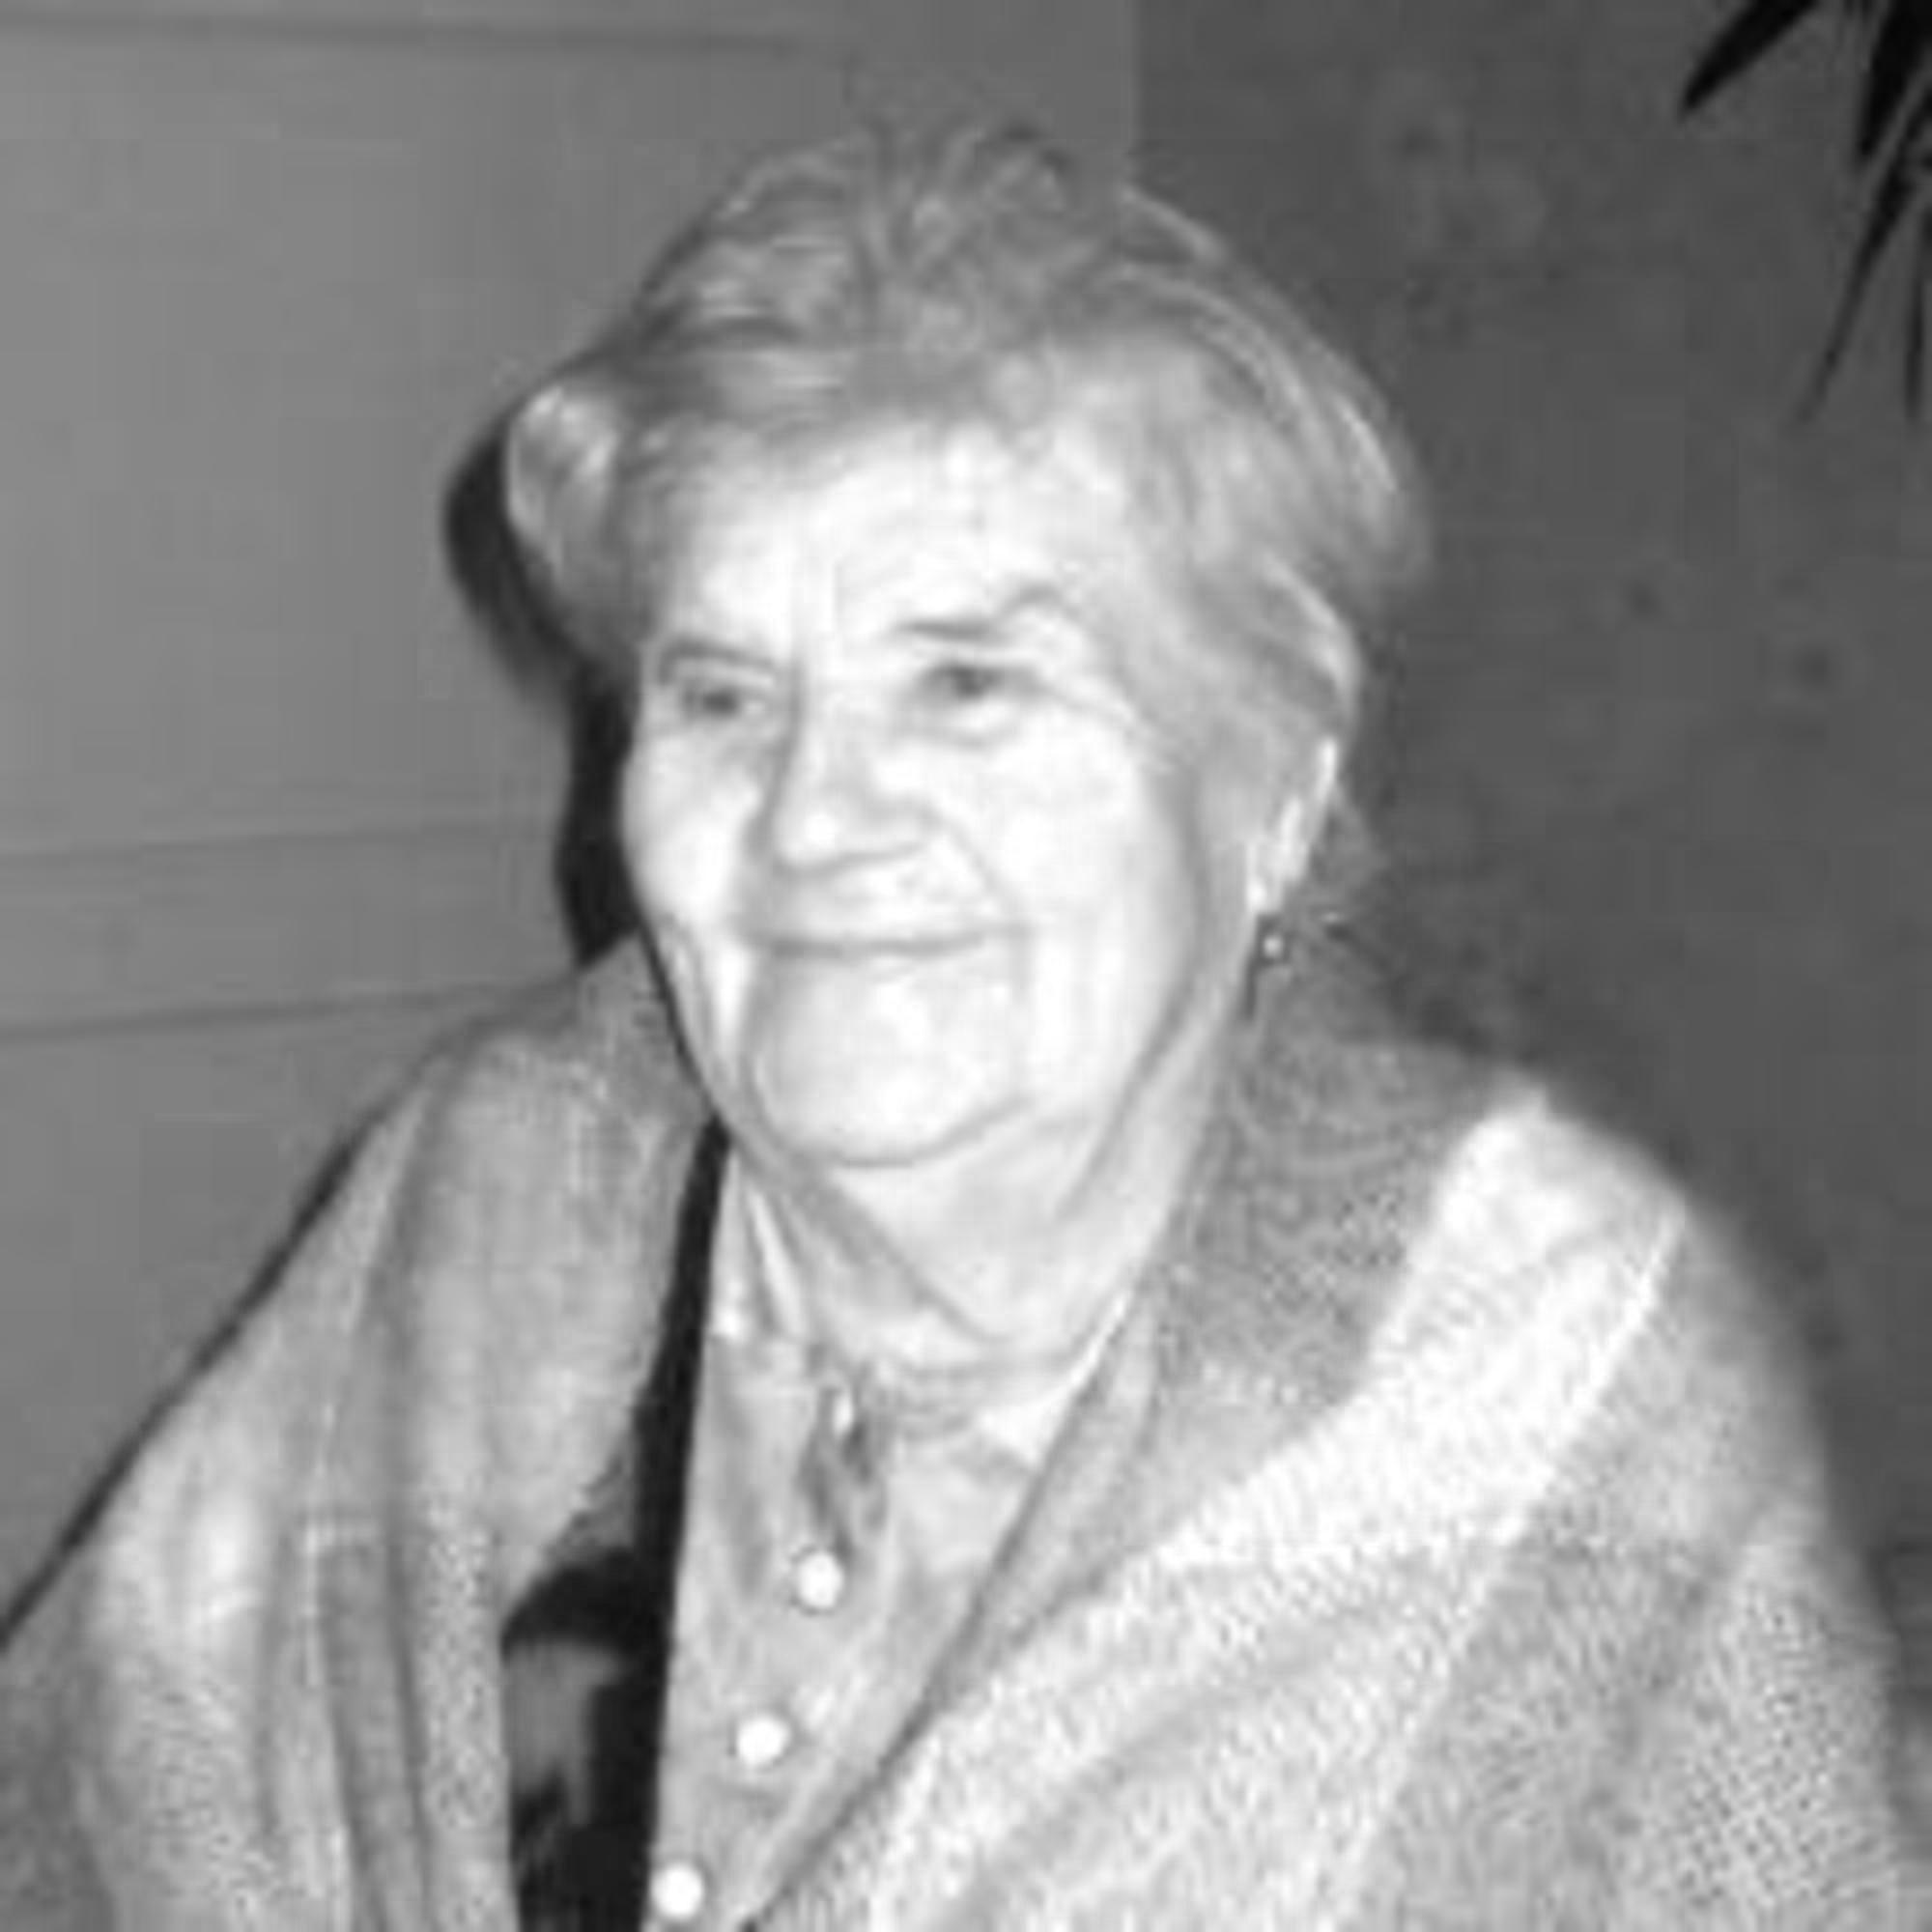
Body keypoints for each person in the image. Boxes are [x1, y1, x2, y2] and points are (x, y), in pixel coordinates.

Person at [0, 120, 1924, 1929]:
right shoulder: (502, 1181)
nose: (815, 818)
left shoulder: (1536, 1354)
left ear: (1271, 787)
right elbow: (95, 1817)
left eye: (967, 684)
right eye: (722, 695)